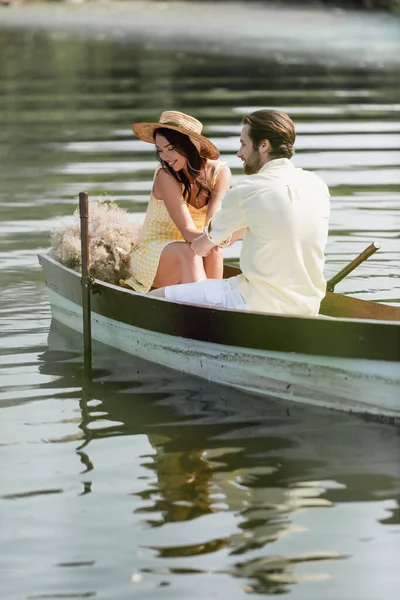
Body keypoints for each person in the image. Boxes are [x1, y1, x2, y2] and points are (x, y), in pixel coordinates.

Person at [150, 109, 331, 317]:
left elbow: (202, 245)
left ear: (263, 145)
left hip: (253, 301)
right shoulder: (317, 186)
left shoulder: (247, 190)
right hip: (308, 306)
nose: (239, 153)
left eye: (243, 144)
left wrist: (220, 239)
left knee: (155, 299)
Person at [121, 111, 231, 293]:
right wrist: (220, 237)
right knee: (190, 250)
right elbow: (188, 233)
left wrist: (223, 238)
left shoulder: (220, 173)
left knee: (215, 248)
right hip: (154, 255)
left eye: (170, 148)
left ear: (191, 144)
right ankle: (204, 309)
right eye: (160, 150)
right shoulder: (165, 176)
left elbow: (213, 226)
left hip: (194, 250)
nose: (165, 157)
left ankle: (214, 305)